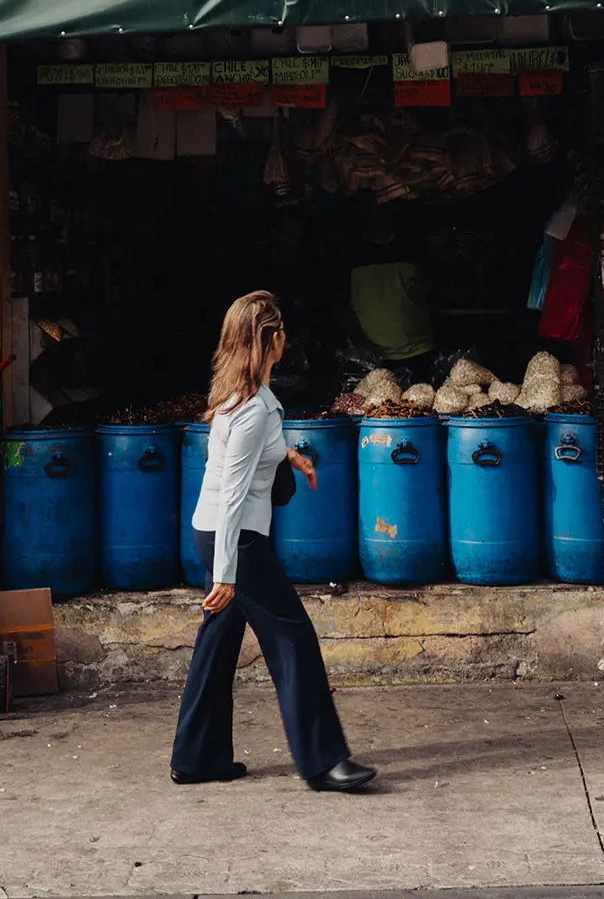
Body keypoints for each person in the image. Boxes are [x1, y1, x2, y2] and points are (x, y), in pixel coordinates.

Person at [171, 291, 377, 793]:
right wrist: (226, 575)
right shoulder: (253, 409)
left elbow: (242, 455)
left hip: (215, 532)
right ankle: (324, 761)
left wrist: (287, 455)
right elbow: (234, 493)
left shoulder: (241, 397)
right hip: (235, 539)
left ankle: (196, 757)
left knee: (218, 642)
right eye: (282, 330)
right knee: (293, 638)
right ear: (274, 341)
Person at [332, 201, 435, 379]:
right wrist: (360, 341)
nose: (381, 213)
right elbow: (338, 302)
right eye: (376, 206)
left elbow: (432, 288)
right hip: (367, 353)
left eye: (386, 206)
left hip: (418, 349)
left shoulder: (413, 248)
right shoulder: (348, 252)